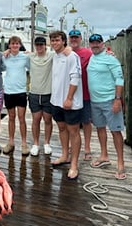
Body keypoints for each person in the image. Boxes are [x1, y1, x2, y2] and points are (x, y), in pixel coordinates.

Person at [87, 33, 126, 180]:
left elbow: (120, 79)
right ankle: (104, 155)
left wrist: (117, 99)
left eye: (98, 42)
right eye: (92, 43)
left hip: (110, 100)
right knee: (100, 128)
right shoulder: (92, 57)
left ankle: (120, 163)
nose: (95, 45)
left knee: (116, 131)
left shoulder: (111, 58)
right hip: (94, 101)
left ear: (102, 44)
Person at [49, 31, 83, 180]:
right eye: (52, 41)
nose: (54, 43)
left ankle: (74, 164)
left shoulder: (71, 56)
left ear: (64, 41)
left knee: (74, 131)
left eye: (57, 40)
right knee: (62, 128)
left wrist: (69, 98)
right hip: (56, 101)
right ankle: (65, 155)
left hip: (71, 103)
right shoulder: (55, 56)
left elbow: (75, 77)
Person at [2, 36, 30, 156]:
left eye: (17, 43)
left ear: (20, 45)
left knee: (22, 118)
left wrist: (30, 53)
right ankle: (11, 142)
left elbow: (32, 67)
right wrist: (5, 53)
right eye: (12, 43)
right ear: (9, 45)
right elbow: (0, 66)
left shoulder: (25, 57)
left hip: (21, 91)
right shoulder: (5, 57)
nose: (14, 45)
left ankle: (24, 144)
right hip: (8, 91)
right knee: (11, 118)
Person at [68, 29, 92, 161]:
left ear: (80, 38)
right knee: (72, 123)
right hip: (70, 94)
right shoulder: (66, 53)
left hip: (86, 94)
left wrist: (109, 54)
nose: (74, 40)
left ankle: (87, 148)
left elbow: (100, 56)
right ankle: (73, 145)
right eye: (72, 37)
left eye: (76, 37)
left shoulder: (88, 53)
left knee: (86, 122)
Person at [29, 36, 54, 156]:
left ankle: (47, 143)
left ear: (45, 45)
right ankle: (35, 144)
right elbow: (15, 54)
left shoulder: (51, 56)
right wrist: (7, 51)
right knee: (36, 120)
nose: (39, 47)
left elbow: (65, 51)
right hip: (34, 93)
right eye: (37, 45)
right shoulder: (30, 56)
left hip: (48, 94)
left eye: (41, 45)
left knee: (48, 120)